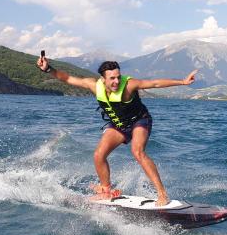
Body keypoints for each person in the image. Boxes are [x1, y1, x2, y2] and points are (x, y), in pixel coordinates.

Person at [37, 56, 197, 206]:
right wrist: (47, 69)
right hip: (119, 125)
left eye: (118, 77)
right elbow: (68, 78)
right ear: (103, 79)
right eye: (112, 78)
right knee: (99, 155)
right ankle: (106, 190)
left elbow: (154, 83)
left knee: (138, 152)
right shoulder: (93, 85)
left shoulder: (129, 85)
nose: (116, 81)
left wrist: (183, 82)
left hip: (140, 120)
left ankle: (162, 193)